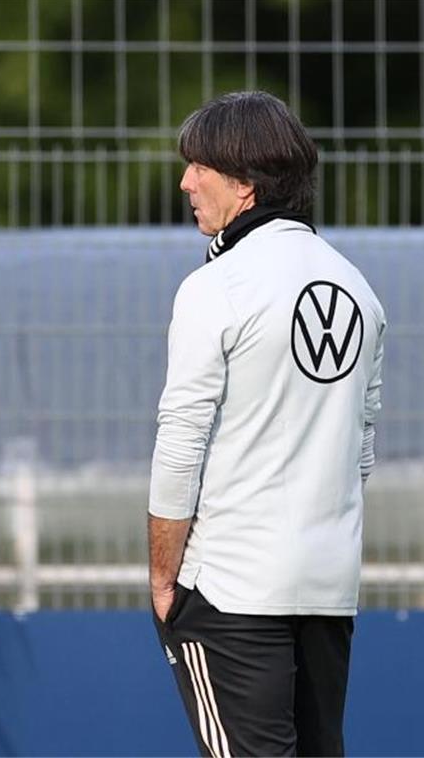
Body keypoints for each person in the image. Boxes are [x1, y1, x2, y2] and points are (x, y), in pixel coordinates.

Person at [146, 91, 387, 757]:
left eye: (200, 166)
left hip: (231, 586)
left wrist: (164, 578)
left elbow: (180, 441)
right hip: (329, 587)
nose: (186, 181)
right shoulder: (358, 288)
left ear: (244, 181)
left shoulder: (217, 287)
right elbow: (361, 452)